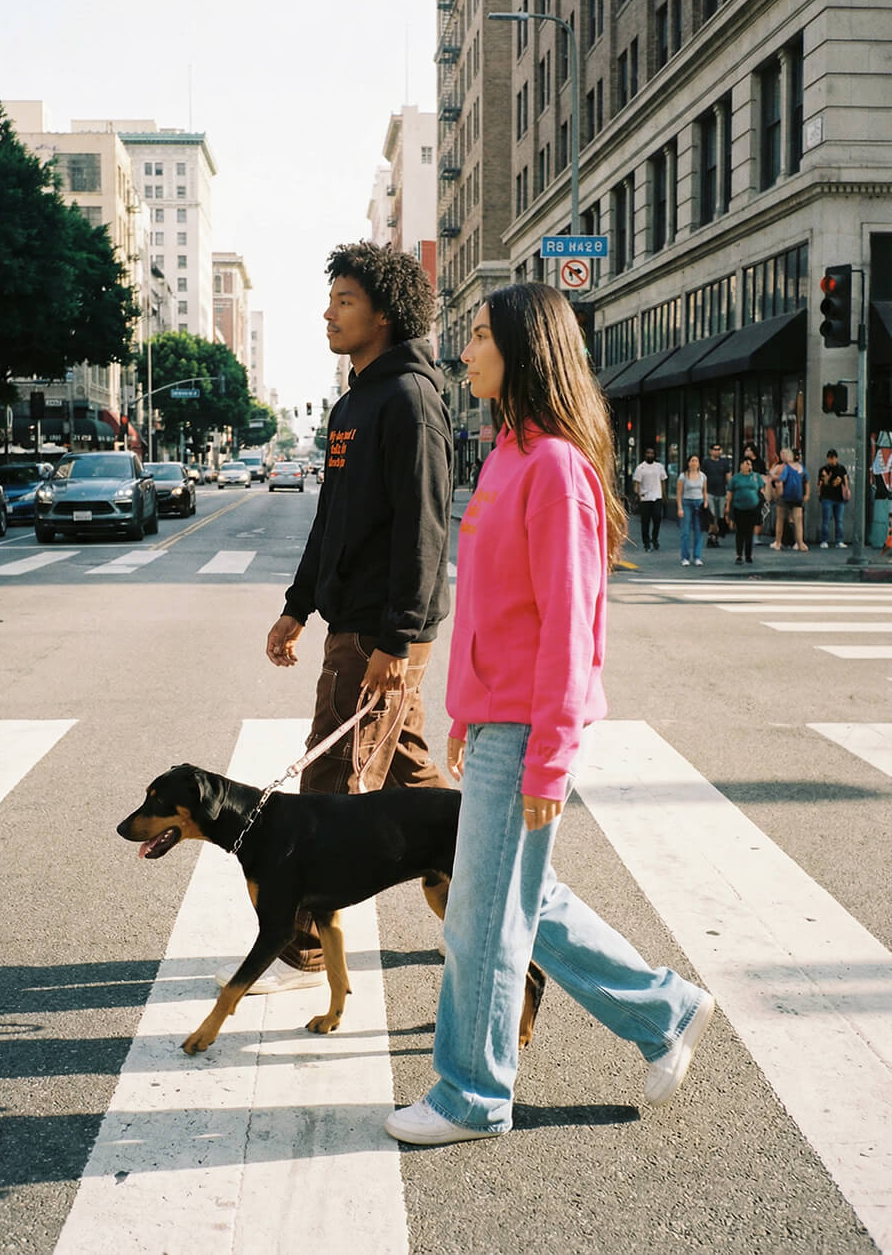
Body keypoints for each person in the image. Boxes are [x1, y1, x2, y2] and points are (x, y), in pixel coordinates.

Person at [385, 282, 714, 1147]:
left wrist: (549, 758)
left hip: (533, 724)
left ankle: (470, 1094)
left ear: (527, 350)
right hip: (499, 717)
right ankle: (666, 1010)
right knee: (520, 899)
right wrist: (464, 712)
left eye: (483, 338)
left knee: (481, 917)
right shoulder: (503, 453)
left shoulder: (557, 466)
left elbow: (572, 627)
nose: (467, 353)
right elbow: (497, 608)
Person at [228, 241, 453, 995]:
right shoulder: (353, 401)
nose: (329, 312)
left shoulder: (410, 399)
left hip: (379, 627)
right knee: (414, 777)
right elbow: (332, 516)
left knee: (334, 771)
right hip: (352, 620)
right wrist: (297, 606)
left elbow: (423, 528)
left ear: (383, 315)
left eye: (345, 301)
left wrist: (397, 638)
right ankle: (485, 893)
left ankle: (299, 927)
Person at [725, 455, 766, 564]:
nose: (748, 466)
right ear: (741, 465)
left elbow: (762, 489)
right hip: (739, 507)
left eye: (750, 464)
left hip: (752, 508)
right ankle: (739, 555)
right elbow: (730, 492)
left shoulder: (756, 477)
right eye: (746, 463)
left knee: (749, 532)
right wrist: (728, 506)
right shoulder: (736, 478)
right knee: (740, 532)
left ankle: (748, 555)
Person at [771, 446, 809, 551]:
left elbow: (781, 480)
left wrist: (779, 491)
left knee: (781, 519)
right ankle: (799, 543)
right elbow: (806, 480)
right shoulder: (800, 468)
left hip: (786, 496)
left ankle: (779, 542)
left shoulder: (787, 468)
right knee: (798, 520)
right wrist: (806, 494)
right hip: (797, 496)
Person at [632, 446, 667, 551]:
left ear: (654, 455)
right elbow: (637, 483)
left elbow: (663, 481)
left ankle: (654, 539)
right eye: (648, 453)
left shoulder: (659, 467)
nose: (650, 455)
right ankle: (646, 542)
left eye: (652, 453)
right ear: (645, 454)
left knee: (657, 518)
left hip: (657, 496)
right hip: (645, 498)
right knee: (645, 522)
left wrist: (664, 494)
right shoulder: (640, 468)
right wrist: (637, 495)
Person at [676, 453, 708, 566]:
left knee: (699, 531)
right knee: (685, 532)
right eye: (692, 461)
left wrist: (706, 502)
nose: (694, 463)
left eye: (696, 461)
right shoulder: (683, 476)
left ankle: (697, 557)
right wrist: (680, 507)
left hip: (699, 503)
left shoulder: (703, 476)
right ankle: (685, 557)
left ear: (699, 463)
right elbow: (679, 493)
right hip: (686, 503)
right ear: (688, 463)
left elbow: (704, 491)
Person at [817, 448, 849, 548]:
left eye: (833, 458)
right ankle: (824, 540)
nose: (832, 460)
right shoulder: (823, 469)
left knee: (838, 520)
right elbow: (821, 483)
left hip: (838, 498)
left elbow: (845, 480)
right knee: (826, 520)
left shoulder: (841, 468)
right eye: (830, 458)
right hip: (827, 497)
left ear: (837, 458)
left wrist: (847, 490)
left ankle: (839, 540)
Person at [702, 443, 731, 546]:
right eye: (715, 449)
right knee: (712, 515)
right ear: (711, 451)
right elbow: (702, 478)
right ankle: (711, 536)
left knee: (719, 516)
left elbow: (728, 478)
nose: (717, 451)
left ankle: (715, 536)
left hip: (722, 492)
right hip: (709, 492)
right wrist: (703, 492)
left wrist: (730, 490)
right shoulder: (706, 462)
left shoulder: (724, 463)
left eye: (719, 449)